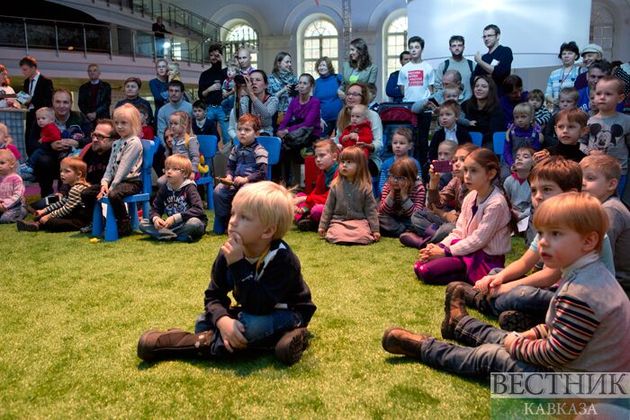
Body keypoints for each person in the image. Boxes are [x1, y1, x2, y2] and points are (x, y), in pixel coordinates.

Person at [383, 192, 630, 378]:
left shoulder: (582, 292)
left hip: (580, 386)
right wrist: (532, 334)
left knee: (492, 356)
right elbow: (563, 331)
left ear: (588, 242)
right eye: (541, 234)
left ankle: (426, 348)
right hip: (576, 365)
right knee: (507, 338)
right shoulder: (589, 274)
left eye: (556, 234)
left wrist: (516, 343)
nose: (542, 243)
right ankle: (460, 325)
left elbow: (556, 354)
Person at [137, 181, 316, 365]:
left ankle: (177, 343)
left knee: (249, 326)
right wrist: (223, 320)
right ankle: (276, 342)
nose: (233, 221)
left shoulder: (282, 259)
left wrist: (238, 265)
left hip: (289, 312)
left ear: (268, 231)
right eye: (233, 213)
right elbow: (214, 295)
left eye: (244, 217)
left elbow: (259, 306)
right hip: (251, 307)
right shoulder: (229, 252)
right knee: (204, 322)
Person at [468, 157, 609, 332]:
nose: (538, 196)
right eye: (533, 191)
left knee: (522, 295)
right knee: (498, 273)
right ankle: (529, 317)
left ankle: (481, 301)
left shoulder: (578, 225)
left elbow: (550, 275)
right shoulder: (551, 223)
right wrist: (499, 278)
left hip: (580, 302)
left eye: (547, 189)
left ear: (571, 194)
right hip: (555, 290)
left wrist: (505, 288)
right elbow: (525, 262)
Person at [414, 148, 513, 285]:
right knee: (418, 266)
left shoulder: (496, 204)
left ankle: (465, 274)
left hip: (483, 259)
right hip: (464, 250)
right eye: (466, 170)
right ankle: (454, 266)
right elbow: (459, 231)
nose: (467, 176)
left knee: (426, 271)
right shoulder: (471, 196)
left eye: (473, 171)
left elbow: (478, 240)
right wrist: (440, 246)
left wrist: (445, 252)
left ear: (490, 174)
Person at [400, 143, 478, 249]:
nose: (457, 164)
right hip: (453, 222)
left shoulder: (478, 184)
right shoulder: (456, 181)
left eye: (462, 160)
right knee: (418, 215)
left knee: (448, 228)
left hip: (466, 227)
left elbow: (467, 222)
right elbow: (433, 205)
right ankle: (439, 237)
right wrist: (433, 182)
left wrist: (444, 214)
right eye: (455, 160)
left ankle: (424, 242)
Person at [580, 155, 630, 296]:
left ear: (611, 185)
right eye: (580, 177)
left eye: (590, 178)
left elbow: (599, 257)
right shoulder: (600, 207)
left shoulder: (610, 210)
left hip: (617, 287)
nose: (582, 183)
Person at [30, 89, 92, 197]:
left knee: (71, 163)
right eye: (58, 102)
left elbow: (91, 139)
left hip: (71, 158)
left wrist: (77, 143)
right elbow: (32, 142)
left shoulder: (80, 117)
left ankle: (65, 196)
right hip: (50, 158)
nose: (61, 105)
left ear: (71, 104)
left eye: (65, 102)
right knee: (43, 160)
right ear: (52, 103)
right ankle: (46, 196)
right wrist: (50, 145)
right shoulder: (42, 118)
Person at [214, 114, 268, 234]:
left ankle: (244, 224)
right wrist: (228, 176)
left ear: (256, 133)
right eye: (239, 129)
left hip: (253, 184)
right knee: (219, 190)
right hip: (235, 181)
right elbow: (230, 166)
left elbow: (262, 172)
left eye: (247, 130)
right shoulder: (236, 149)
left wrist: (246, 179)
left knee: (244, 192)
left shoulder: (260, 150)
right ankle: (224, 220)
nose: (242, 133)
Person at [97, 103, 143, 237]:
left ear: (133, 123)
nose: (119, 126)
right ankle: (101, 222)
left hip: (131, 182)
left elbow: (123, 169)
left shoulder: (134, 142)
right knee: (88, 192)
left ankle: (124, 223)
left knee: (113, 195)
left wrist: (111, 188)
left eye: (124, 123)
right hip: (115, 183)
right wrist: (104, 183)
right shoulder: (117, 143)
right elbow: (110, 166)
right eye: (116, 123)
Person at [318, 146, 380, 245]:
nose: (344, 165)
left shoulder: (366, 187)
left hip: (359, 222)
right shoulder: (335, 185)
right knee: (334, 234)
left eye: (349, 162)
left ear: (360, 166)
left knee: (363, 236)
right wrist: (322, 226)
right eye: (342, 162)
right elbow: (328, 208)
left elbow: (371, 210)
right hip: (339, 221)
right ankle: (339, 235)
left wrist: (375, 230)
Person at [139, 154, 207, 242]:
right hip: (173, 225)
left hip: (189, 223)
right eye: (167, 168)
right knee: (143, 224)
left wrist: (175, 218)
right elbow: (155, 209)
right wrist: (156, 219)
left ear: (185, 173)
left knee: (194, 223)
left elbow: (198, 210)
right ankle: (177, 236)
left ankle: (165, 235)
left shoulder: (190, 188)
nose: (169, 172)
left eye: (174, 169)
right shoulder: (164, 188)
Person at [582, 76, 630, 196]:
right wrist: (590, 151)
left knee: (614, 202)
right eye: (598, 93)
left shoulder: (626, 120)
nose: (602, 97)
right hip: (593, 171)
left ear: (620, 98)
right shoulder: (588, 120)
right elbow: (580, 143)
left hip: (618, 171)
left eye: (608, 94)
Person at [17, 157, 89, 232]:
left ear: (78, 174)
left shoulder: (76, 189)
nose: (62, 174)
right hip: (72, 214)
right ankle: (37, 224)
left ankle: (38, 224)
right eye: (61, 171)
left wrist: (48, 216)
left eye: (67, 171)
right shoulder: (72, 187)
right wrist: (44, 211)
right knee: (42, 216)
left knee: (51, 221)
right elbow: (62, 202)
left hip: (79, 221)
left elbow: (66, 209)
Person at [276, 73, 321, 186]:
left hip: (311, 133)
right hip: (296, 134)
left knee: (289, 148)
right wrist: (280, 130)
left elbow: (308, 123)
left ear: (311, 86)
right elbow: (286, 119)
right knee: (282, 148)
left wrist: (287, 130)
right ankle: (286, 183)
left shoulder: (315, 102)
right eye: (300, 82)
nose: (301, 85)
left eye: (305, 83)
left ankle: (302, 183)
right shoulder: (294, 101)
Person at [335, 83, 383, 176]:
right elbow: (338, 139)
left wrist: (367, 145)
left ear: (363, 97)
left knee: (351, 168)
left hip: (368, 158)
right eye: (348, 94)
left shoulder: (372, 115)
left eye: (355, 94)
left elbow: (379, 144)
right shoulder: (343, 114)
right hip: (345, 156)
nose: (350, 97)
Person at [294, 139, 338, 232]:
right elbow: (316, 193)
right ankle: (304, 218)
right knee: (299, 196)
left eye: (322, 155)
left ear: (334, 156)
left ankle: (307, 220)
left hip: (337, 207)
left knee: (317, 210)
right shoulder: (323, 173)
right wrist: (304, 206)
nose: (318, 159)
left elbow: (330, 198)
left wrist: (305, 199)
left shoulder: (339, 173)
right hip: (324, 203)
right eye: (316, 156)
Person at [378, 157, 425, 238]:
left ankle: (400, 231)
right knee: (378, 217)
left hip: (409, 220)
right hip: (392, 219)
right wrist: (392, 193)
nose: (395, 181)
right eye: (393, 176)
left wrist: (404, 195)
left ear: (411, 179)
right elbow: (383, 211)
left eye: (400, 178)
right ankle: (404, 231)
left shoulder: (418, 188)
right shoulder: (389, 185)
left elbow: (416, 214)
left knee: (420, 221)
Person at [20, 56, 54, 156]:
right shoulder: (26, 82)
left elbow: (48, 100)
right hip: (30, 113)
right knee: (28, 139)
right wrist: (21, 99)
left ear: (33, 68)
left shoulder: (46, 81)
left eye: (25, 69)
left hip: (42, 115)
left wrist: (32, 99)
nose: (23, 72)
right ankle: (30, 160)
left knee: (40, 139)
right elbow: (25, 99)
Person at [229, 70, 278, 138]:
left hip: (265, 136)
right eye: (251, 80)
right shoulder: (246, 99)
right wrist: (237, 94)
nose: (254, 82)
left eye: (258, 80)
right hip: (248, 135)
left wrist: (251, 94)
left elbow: (266, 115)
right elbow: (239, 119)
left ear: (266, 85)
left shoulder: (273, 99)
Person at [461, 75, 505, 148]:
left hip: (488, 144)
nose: (479, 89)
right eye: (476, 86)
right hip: (466, 143)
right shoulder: (465, 105)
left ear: (490, 90)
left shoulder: (497, 108)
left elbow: (494, 132)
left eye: (484, 86)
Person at [198, 43, 228, 148]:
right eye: (211, 55)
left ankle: (229, 159)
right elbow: (200, 94)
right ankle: (211, 155)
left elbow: (228, 79)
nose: (214, 58)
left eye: (217, 55)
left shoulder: (226, 71)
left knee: (227, 135)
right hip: (209, 107)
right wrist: (210, 89)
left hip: (223, 108)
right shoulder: (205, 74)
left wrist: (223, 61)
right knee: (207, 134)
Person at [159, 111, 199, 185]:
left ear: (184, 125)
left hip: (188, 171)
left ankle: (179, 196)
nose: (172, 126)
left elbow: (195, 157)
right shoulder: (174, 139)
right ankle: (170, 196)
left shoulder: (190, 140)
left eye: (175, 123)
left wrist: (193, 171)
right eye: (171, 124)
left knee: (170, 182)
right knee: (160, 182)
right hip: (176, 170)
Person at [472, 24, 513, 94]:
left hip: (500, 97)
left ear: (498, 36)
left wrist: (479, 62)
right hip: (485, 98)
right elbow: (474, 78)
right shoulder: (484, 57)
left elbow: (501, 73)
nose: (486, 39)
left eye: (489, 36)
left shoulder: (505, 51)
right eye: (484, 36)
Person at [378, 127, 421, 193]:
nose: (397, 146)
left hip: (410, 197)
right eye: (395, 143)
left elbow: (419, 184)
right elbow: (382, 185)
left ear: (410, 146)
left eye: (401, 143)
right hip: (390, 197)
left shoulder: (414, 163)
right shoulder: (386, 164)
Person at [503, 103, 543, 172]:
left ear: (531, 118)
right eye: (516, 117)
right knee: (505, 175)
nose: (519, 120)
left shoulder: (535, 133)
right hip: (512, 162)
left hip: (529, 164)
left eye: (523, 117)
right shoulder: (511, 133)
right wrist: (512, 164)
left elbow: (535, 152)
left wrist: (528, 165)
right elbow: (507, 152)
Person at [435, 36, 475, 101]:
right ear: (450, 48)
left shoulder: (472, 65)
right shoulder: (444, 65)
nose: (457, 48)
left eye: (459, 45)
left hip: (468, 104)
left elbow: (476, 84)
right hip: (449, 104)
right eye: (454, 46)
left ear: (463, 47)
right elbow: (437, 86)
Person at [503, 146, 534, 228]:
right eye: (517, 157)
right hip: (512, 214)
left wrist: (521, 215)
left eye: (525, 156)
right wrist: (512, 212)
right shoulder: (509, 181)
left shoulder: (535, 181)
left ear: (533, 163)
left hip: (529, 214)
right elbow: (505, 201)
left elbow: (534, 205)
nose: (520, 159)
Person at [397, 36, 435, 103]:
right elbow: (402, 90)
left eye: (417, 47)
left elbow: (431, 90)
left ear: (422, 49)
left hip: (424, 104)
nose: (413, 50)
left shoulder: (428, 67)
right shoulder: (404, 69)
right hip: (408, 103)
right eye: (411, 48)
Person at [313, 57, 343, 137]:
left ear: (329, 67)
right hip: (324, 120)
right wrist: (319, 118)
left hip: (339, 118)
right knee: (321, 143)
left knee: (340, 143)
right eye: (319, 65)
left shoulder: (338, 78)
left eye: (324, 65)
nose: (321, 67)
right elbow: (314, 103)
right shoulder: (316, 83)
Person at [545, 42, 580, 107]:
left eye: (570, 53)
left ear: (576, 56)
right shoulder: (554, 73)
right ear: (561, 56)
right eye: (564, 54)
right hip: (556, 109)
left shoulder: (580, 71)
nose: (566, 56)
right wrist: (553, 101)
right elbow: (547, 94)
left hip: (574, 109)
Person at [268, 52, 298, 117]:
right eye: (287, 62)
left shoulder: (294, 78)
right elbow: (269, 99)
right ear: (279, 63)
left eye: (290, 62)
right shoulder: (271, 79)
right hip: (277, 113)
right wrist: (283, 90)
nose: (290, 64)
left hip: (293, 112)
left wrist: (299, 90)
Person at [0, 149, 26, 223]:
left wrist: (5, 205)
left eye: (2, 163)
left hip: (15, 206)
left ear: (12, 164)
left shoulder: (16, 178)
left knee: (4, 219)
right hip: (1, 206)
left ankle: (22, 212)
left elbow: (17, 196)